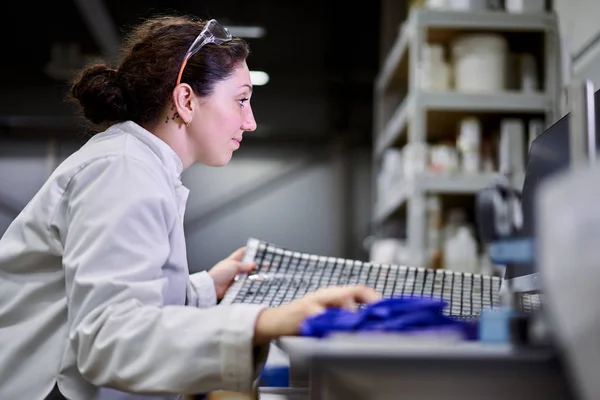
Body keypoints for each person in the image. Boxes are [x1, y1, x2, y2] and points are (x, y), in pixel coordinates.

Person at [0, 15, 381, 400]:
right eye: (242, 100)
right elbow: (108, 337)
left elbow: (120, 294)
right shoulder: (122, 171)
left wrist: (203, 289)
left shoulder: (138, 165)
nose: (250, 122)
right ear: (185, 100)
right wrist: (266, 321)